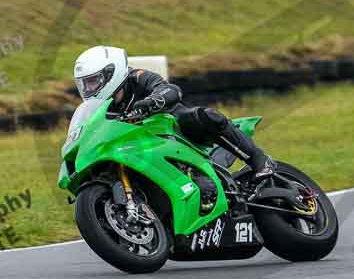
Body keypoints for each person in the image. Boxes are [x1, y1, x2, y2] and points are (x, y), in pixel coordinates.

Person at [72, 45, 275, 181]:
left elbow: (170, 90)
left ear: (111, 73)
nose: (88, 89)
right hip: (140, 147)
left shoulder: (137, 78)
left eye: (92, 82)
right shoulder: (101, 109)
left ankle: (259, 160)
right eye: (84, 84)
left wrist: (152, 102)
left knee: (203, 116)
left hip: (175, 130)